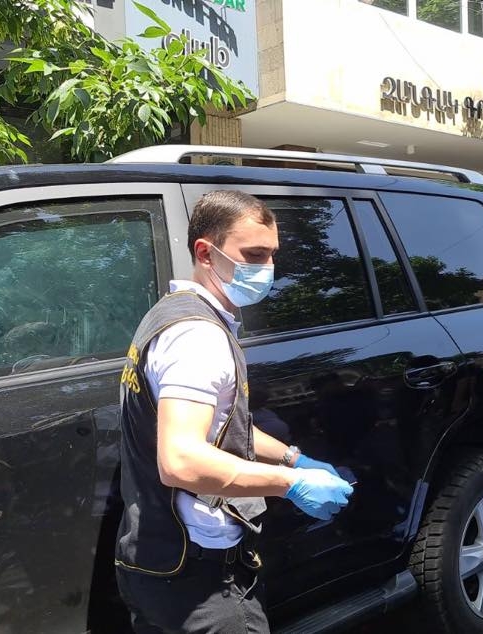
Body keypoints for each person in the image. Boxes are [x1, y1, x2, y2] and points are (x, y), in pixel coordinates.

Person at [114, 190, 354, 634]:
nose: (267, 269)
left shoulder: (171, 314)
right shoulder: (198, 338)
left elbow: (220, 428)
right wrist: (291, 484)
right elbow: (181, 460)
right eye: (254, 255)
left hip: (153, 559)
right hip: (201, 580)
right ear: (206, 253)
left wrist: (293, 458)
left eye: (272, 255)